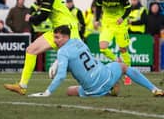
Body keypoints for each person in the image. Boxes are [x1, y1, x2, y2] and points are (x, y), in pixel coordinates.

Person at [4, 0, 79, 95]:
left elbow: (42, 17)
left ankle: (109, 82)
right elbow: (39, 9)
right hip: (58, 30)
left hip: (68, 29)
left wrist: (31, 18)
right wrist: (33, 13)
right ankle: (22, 86)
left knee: (79, 65)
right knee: (31, 50)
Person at [28, 25, 164, 97]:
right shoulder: (78, 41)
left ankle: (107, 91)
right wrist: (59, 62)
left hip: (92, 90)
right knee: (122, 67)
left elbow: (62, 75)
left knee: (69, 91)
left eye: (57, 37)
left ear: (65, 37)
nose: (55, 40)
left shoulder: (62, 52)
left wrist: (48, 92)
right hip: (105, 75)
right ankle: (154, 89)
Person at [94, 0, 132, 84]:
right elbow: (98, 7)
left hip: (120, 25)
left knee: (123, 49)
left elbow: (128, 9)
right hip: (107, 24)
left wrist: (123, 17)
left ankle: (128, 75)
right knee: (102, 47)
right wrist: (96, 20)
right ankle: (117, 60)